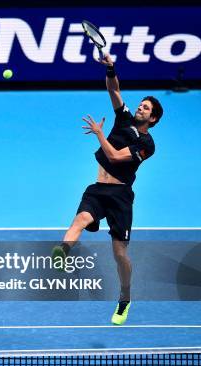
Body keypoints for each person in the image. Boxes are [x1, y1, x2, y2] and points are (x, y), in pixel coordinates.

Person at [52, 54, 163, 325]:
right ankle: (62, 254)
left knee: (119, 254)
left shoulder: (147, 144)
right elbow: (114, 89)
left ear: (154, 119)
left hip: (120, 198)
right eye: (141, 105)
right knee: (79, 220)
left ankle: (124, 298)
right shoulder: (124, 119)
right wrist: (110, 67)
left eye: (146, 108)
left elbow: (114, 156)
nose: (140, 108)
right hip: (98, 189)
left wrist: (100, 134)